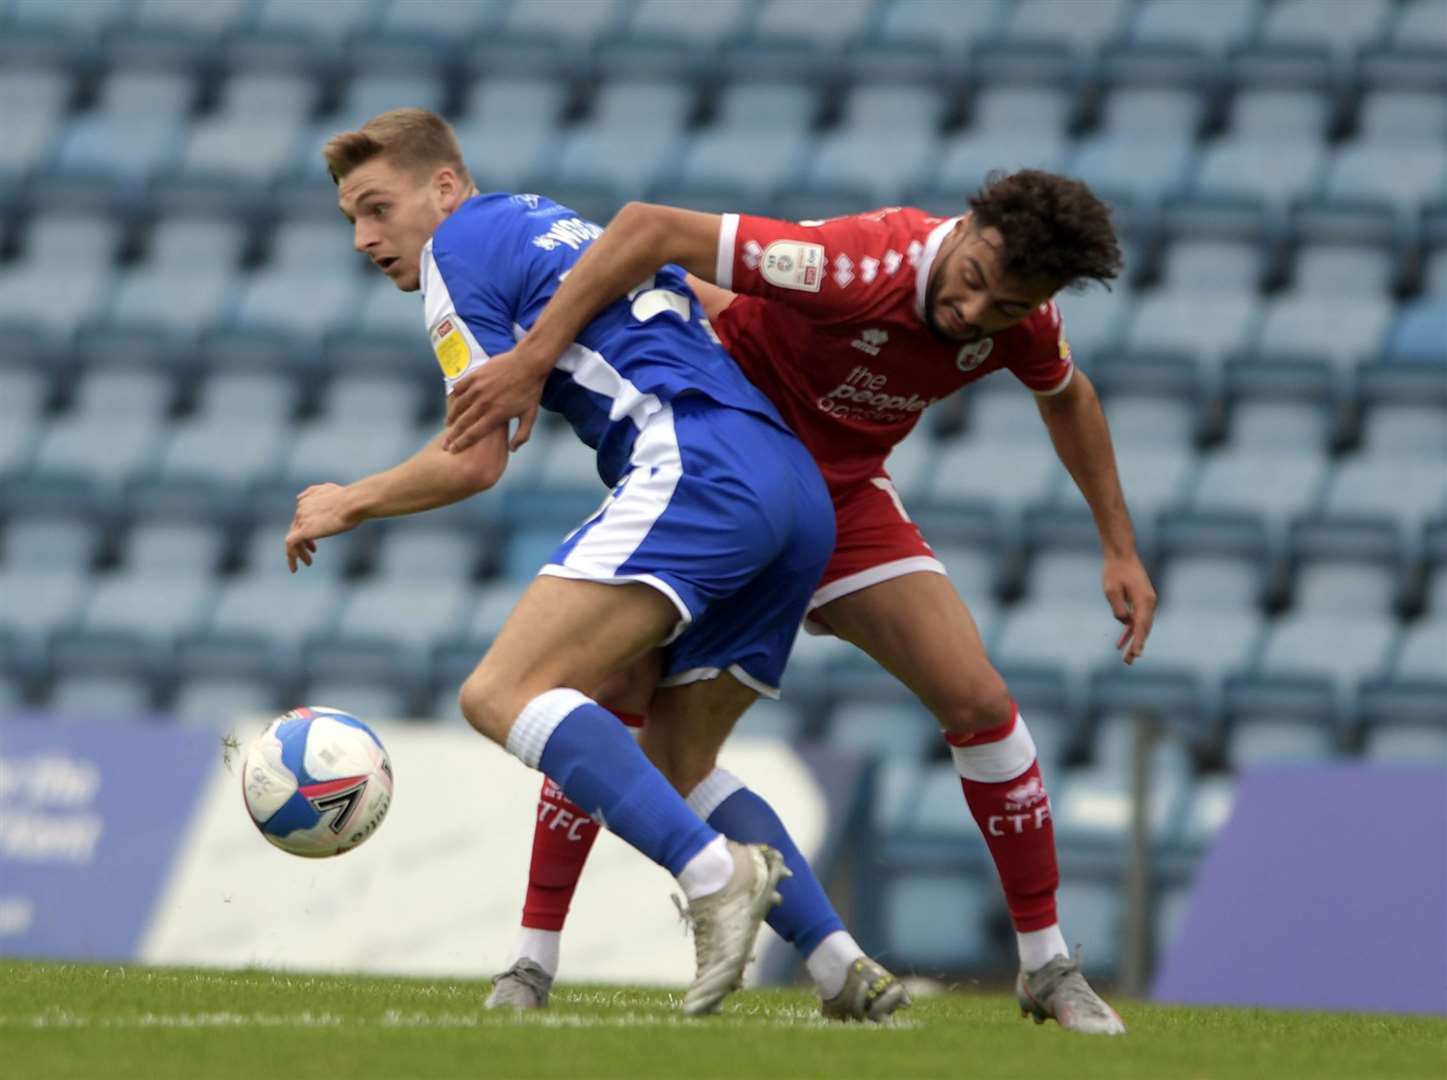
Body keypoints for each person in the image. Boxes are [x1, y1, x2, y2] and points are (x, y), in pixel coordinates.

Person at [442, 170, 1154, 1035]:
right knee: (608, 701)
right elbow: (649, 225)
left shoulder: (1024, 317)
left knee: (978, 701)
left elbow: (1066, 396)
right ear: (964, 226)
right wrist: (531, 358)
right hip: (726, 474)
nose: (974, 316)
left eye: (1003, 308)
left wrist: (1117, 544)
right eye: (972, 284)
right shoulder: (851, 264)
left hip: (843, 501)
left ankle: (1046, 965)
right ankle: (533, 958)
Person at [281, 107, 902, 1018]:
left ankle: (709, 875)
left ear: (444, 189)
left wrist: (348, 499)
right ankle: (840, 964)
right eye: (351, 221)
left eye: (377, 208)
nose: (366, 237)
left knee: (500, 693)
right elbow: (715, 311)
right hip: (791, 489)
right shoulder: (550, 220)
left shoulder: (459, 251)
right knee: (675, 756)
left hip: (695, 466)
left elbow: (474, 458)